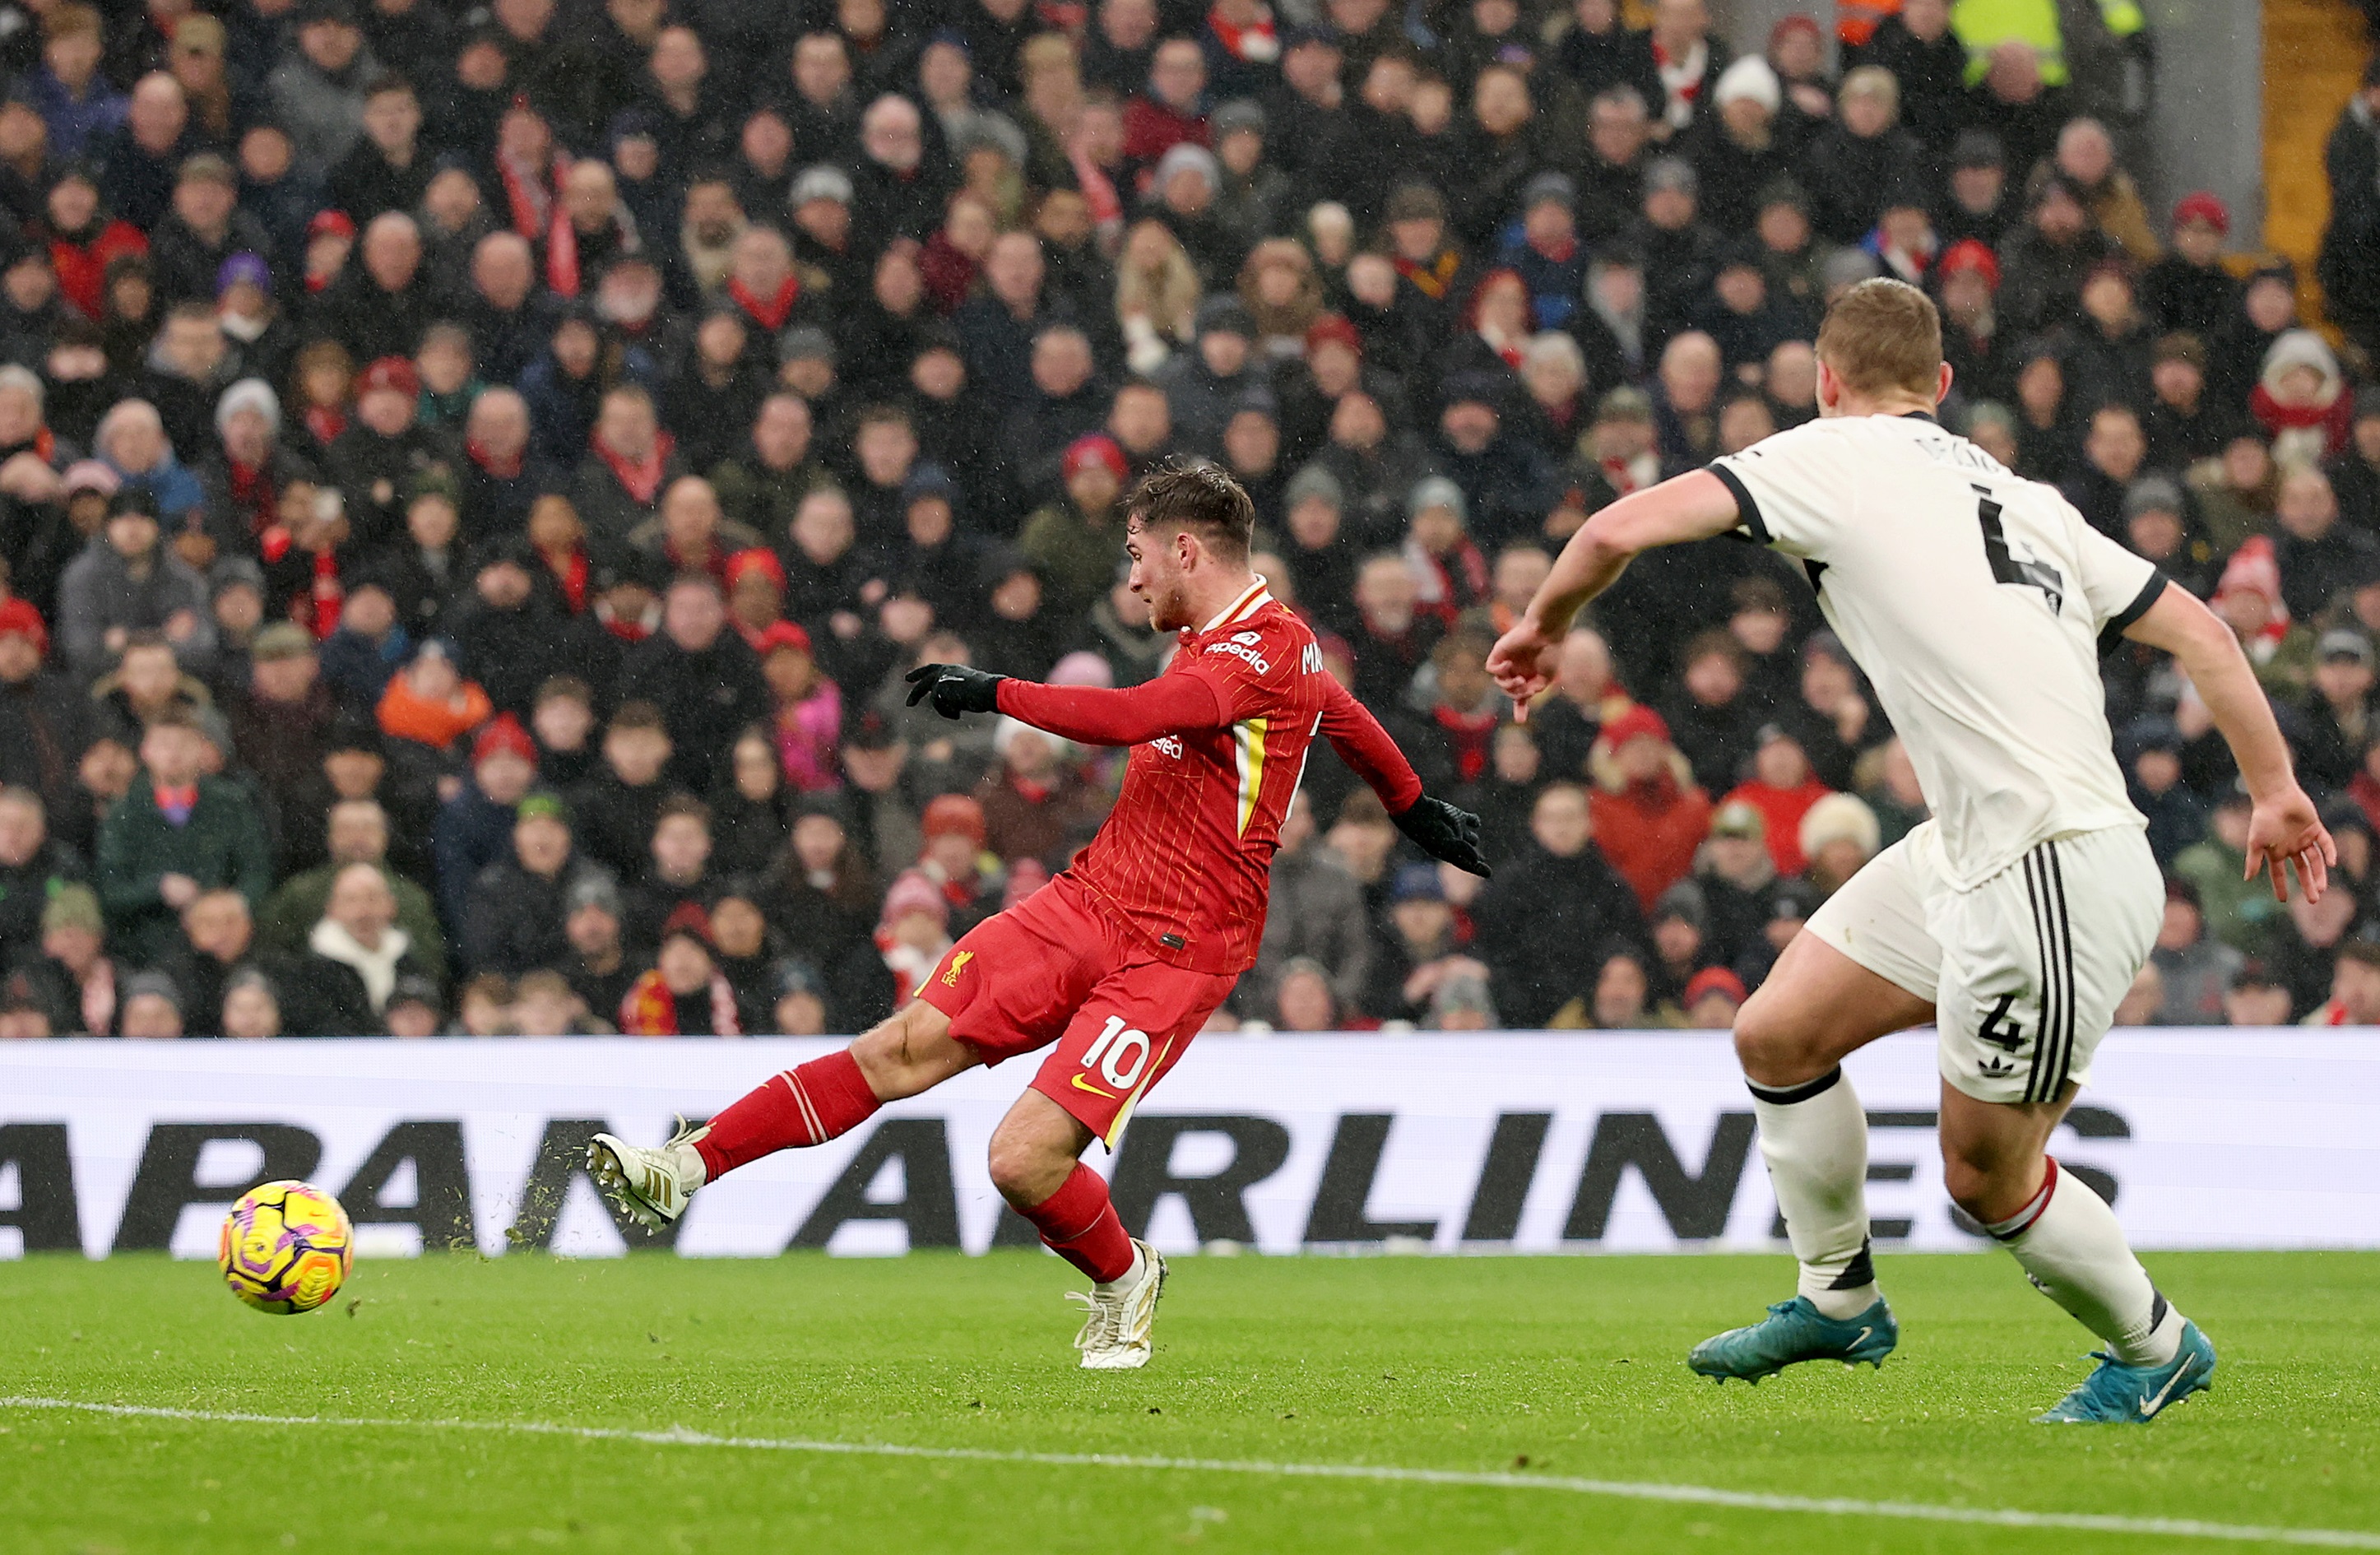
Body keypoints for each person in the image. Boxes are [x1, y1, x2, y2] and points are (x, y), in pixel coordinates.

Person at [1489, 278, 2332, 1424]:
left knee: (1986, 1178)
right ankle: (1837, 1298)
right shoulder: (2022, 495)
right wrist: (2274, 790)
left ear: (1823, 382)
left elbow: (1612, 526)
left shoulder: (1827, 455)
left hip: (2050, 861)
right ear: (1940, 387)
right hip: (1976, 843)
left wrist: (1543, 624)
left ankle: (2156, 1344)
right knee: (1778, 1032)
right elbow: (2203, 630)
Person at [589, 463, 1487, 1369]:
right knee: (894, 1050)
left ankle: (1125, 1273)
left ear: (1185, 550)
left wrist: (994, 693)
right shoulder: (1263, 644)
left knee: (1020, 1162)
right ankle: (686, 1167)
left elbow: (1135, 715)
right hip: (1087, 901)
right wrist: (1414, 806)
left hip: (1177, 951)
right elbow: (1341, 710)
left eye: (1137, 557)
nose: (1131, 579)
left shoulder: (1252, 654)